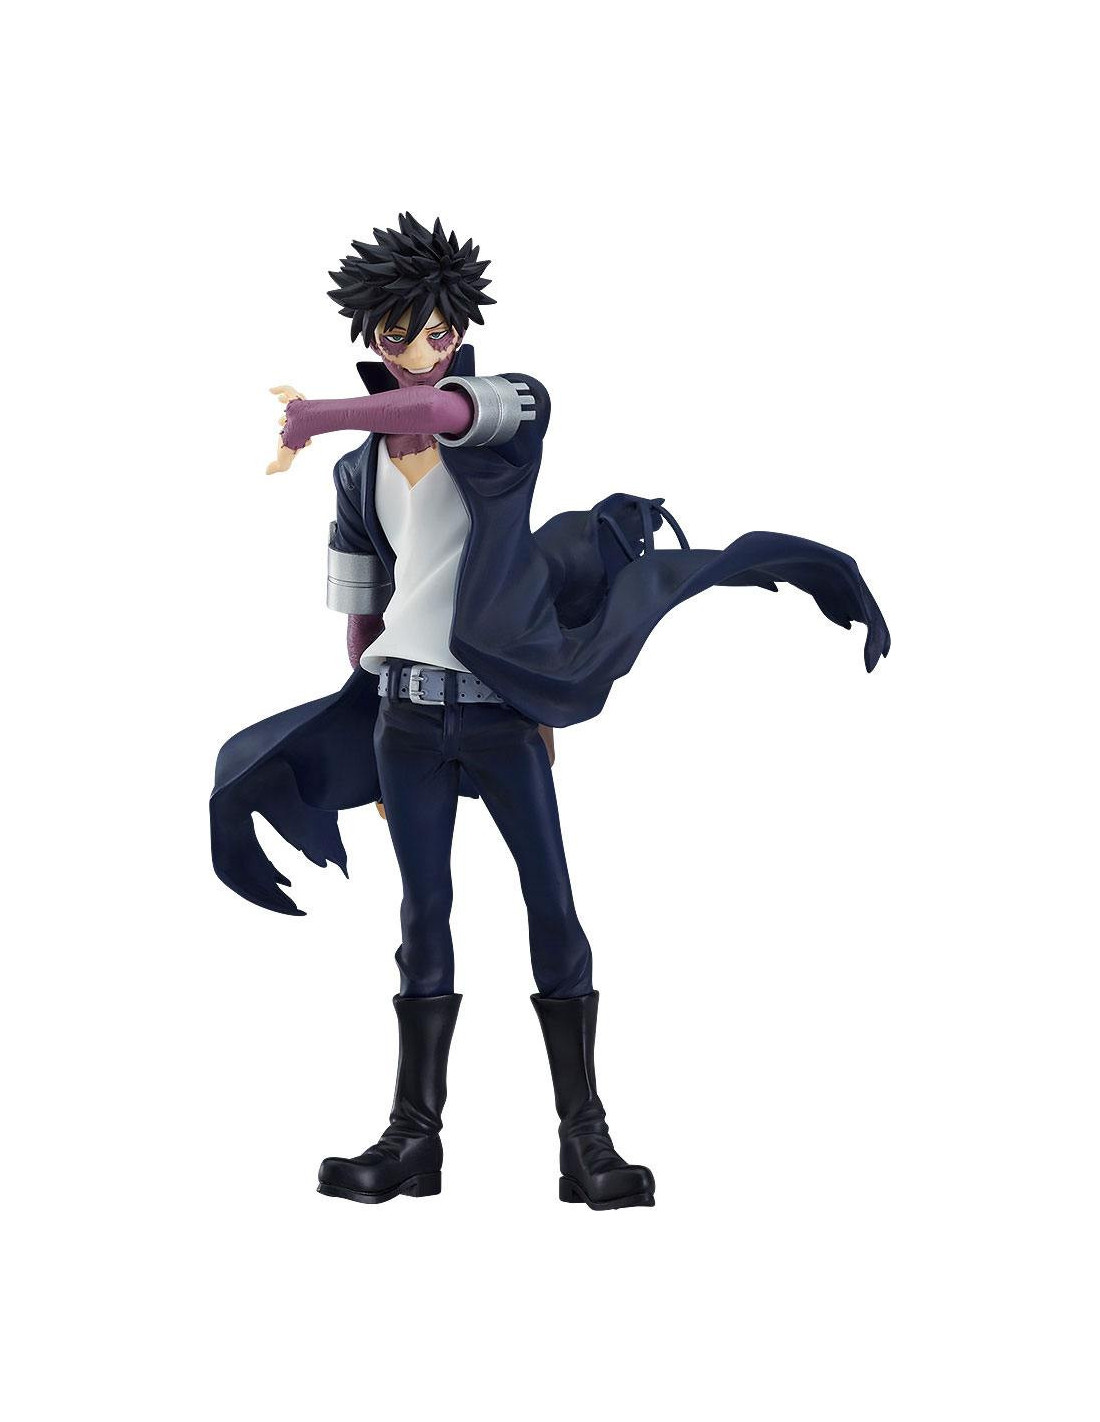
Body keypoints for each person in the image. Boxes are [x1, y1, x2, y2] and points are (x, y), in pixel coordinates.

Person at [211, 213, 890, 1211]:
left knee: (551, 904)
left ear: (458, 331)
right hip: (406, 721)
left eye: (438, 331)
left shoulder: (507, 412)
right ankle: (413, 1139)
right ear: (374, 336)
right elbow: (363, 616)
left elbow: (440, 409)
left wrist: (312, 414)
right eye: (400, 333)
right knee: (422, 915)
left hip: (499, 716)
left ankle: (586, 1140)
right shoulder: (358, 475)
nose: (422, 349)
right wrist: (365, 726)